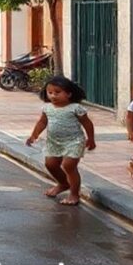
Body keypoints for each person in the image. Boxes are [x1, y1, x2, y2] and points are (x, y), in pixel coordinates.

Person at [26, 76, 96, 206]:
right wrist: (34, 135)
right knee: (50, 164)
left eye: (57, 92)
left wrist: (91, 139)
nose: (53, 96)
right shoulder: (47, 108)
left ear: (69, 94)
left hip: (74, 141)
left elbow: (87, 123)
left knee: (69, 166)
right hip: (53, 142)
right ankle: (63, 184)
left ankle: (74, 194)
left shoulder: (75, 108)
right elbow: (42, 122)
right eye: (50, 92)